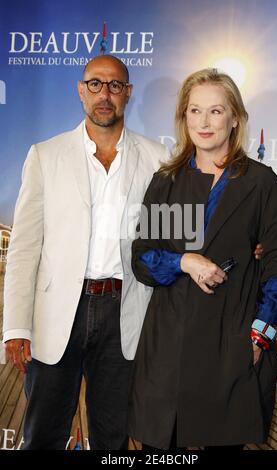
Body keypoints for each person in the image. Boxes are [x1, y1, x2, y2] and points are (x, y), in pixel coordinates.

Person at [2, 55, 170, 450]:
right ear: (81, 90)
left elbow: (173, 239)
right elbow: (24, 247)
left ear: (127, 93)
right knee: (42, 434)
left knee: (112, 438)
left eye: (115, 85)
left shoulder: (159, 161)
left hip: (125, 314)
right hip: (58, 312)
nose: (105, 94)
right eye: (95, 84)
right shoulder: (45, 156)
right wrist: (16, 327)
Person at [128, 68, 277, 450]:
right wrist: (184, 262)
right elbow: (144, 257)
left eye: (216, 111)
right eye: (194, 111)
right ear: (183, 117)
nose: (204, 123)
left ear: (235, 118)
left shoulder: (260, 183)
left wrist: (258, 337)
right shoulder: (169, 181)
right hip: (168, 348)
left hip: (232, 342)